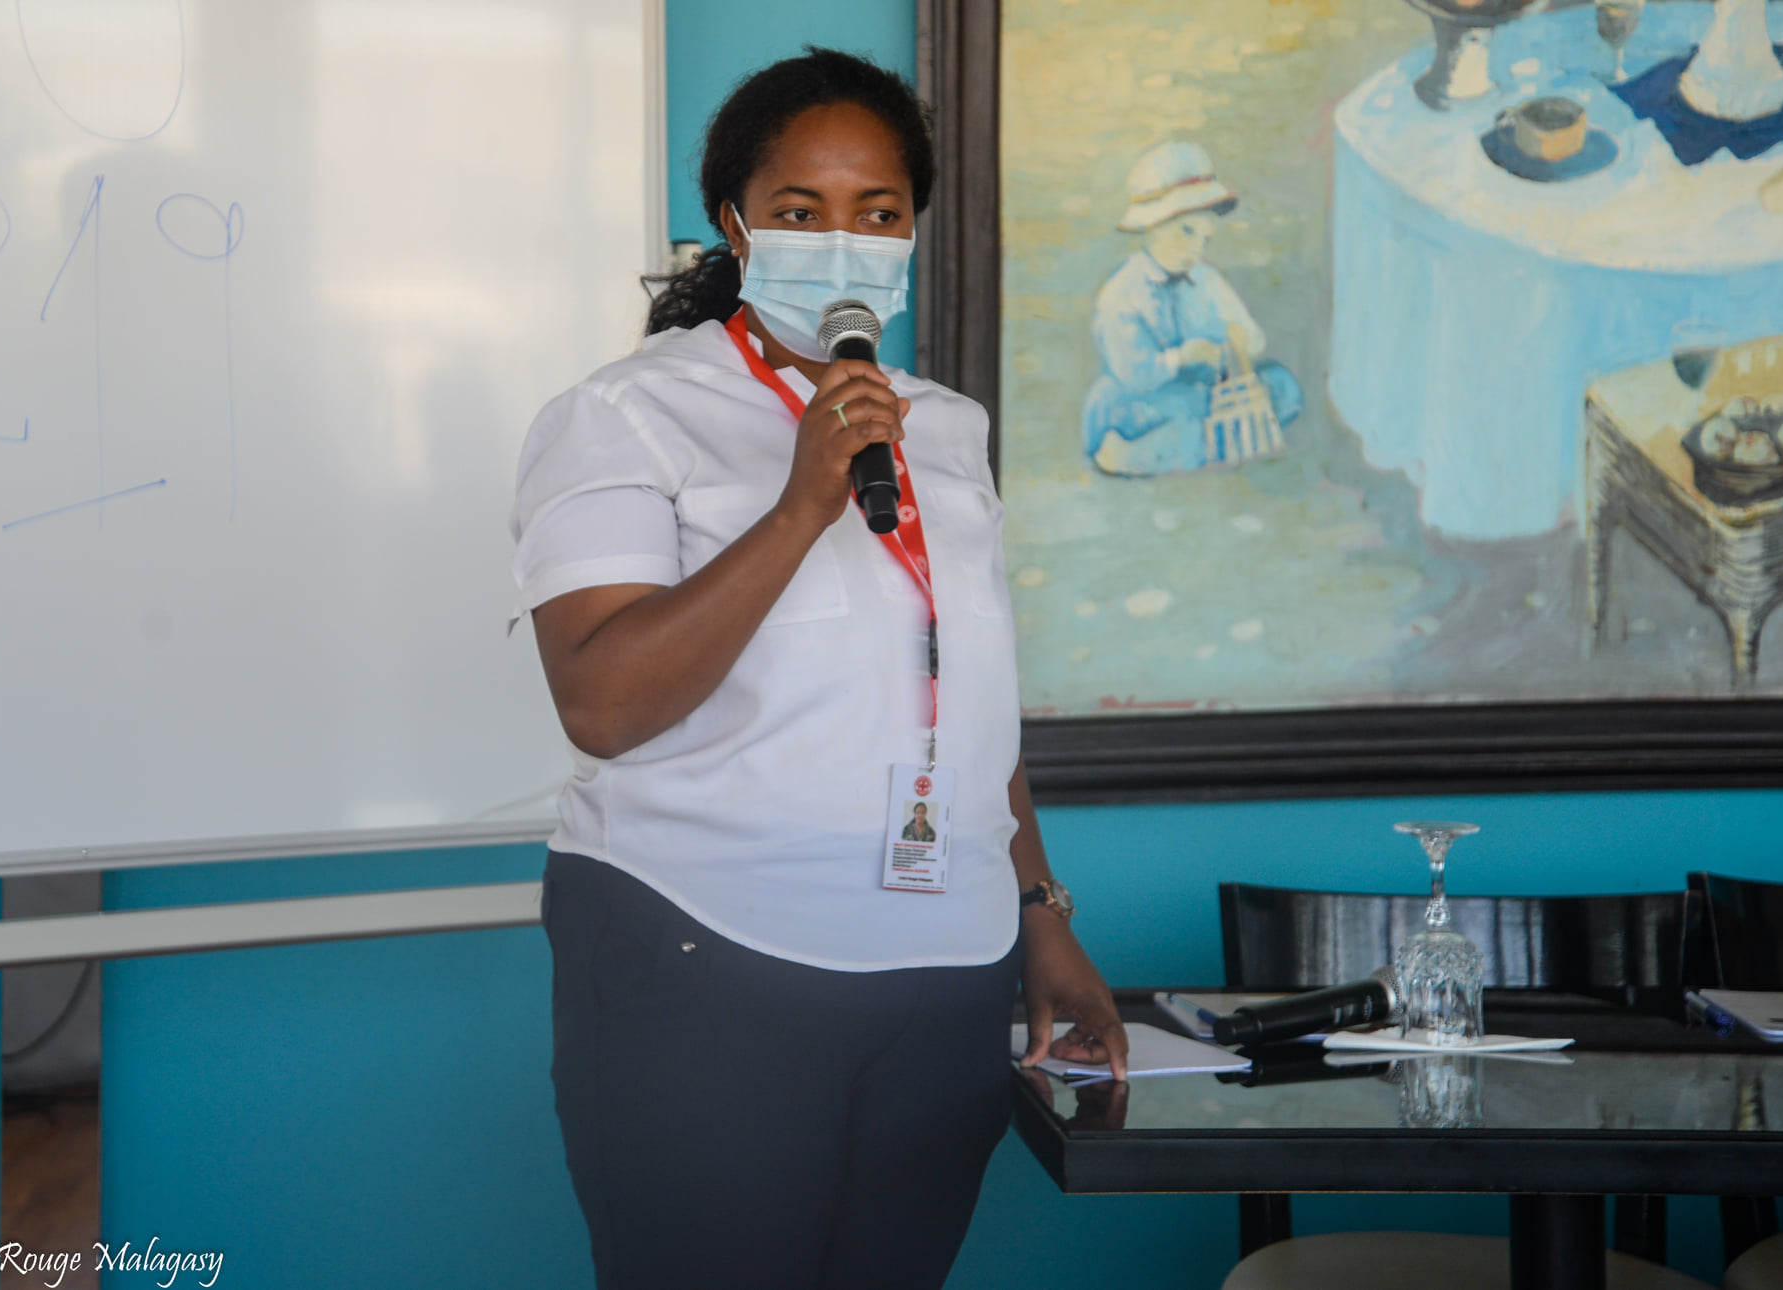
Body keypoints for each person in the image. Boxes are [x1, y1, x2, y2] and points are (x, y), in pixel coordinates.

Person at [508, 47, 1127, 1290]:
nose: (843, 242)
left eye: (878, 213)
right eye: (799, 211)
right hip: (708, 950)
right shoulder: (624, 416)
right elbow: (602, 704)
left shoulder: (945, 429)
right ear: (731, 222)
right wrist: (798, 505)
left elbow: (961, 692)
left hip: (948, 967)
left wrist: (1037, 912)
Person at [1081, 140, 1303, 476]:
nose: (1194, 250)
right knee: (1152, 409)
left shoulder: (1205, 278)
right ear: (1151, 227)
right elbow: (1132, 372)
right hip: (1147, 397)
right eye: (1186, 232)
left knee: (1280, 386)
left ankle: (1177, 448)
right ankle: (1141, 451)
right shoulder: (1121, 293)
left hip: (1207, 390)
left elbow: (1249, 334)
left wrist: (1239, 339)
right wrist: (1182, 357)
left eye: (1204, 239)